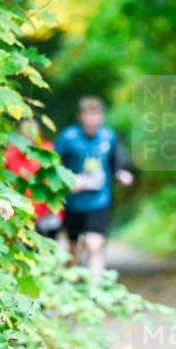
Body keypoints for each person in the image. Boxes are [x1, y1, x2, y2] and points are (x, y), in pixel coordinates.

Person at [55, 96, 133, 276]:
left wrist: (121, 173)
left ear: (101, 117)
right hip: (73, 202)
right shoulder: (68, 137)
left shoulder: (108, 137)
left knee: (94, 244)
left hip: (99, 201)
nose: (92, 120)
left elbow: (116, 162)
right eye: (87, 115)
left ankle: (94, 289)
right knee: (73, 249)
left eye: (95, 115)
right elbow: (53, 166)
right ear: (80, 117)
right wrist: (69, 180)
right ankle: (70, 284)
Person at [2, 119, 63, 238]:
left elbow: (58, 184)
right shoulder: (9, 155)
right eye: (25, 135)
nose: (28, 139)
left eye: (32, 135)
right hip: (19, 215)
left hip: (45, 216)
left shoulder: (49, 152)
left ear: (39, 135)